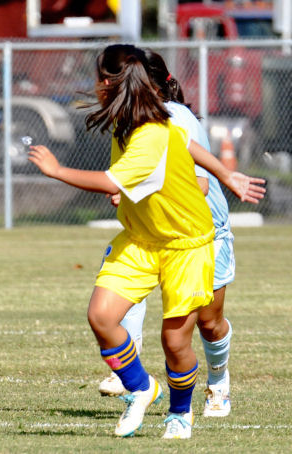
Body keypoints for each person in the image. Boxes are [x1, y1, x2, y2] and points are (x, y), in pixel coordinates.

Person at [27, 44, 264, 439]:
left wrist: (55, 170)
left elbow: (111, 179)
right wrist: (227, 174)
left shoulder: (150, 130)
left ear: (108, 82)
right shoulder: (135, 117)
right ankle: (142, 387)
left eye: (97, 77)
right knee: (102, 317)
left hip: (186, 244)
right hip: (141, 238)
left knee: (175, 340)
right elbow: (184, 144)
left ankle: (179, 412)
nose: (94, 85)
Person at [97, 50, 239, 425]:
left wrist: (228, 175)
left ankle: (218, 381)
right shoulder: (127, 119)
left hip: (200, 235)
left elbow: (200, 183)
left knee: (209, 323)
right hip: (154, 236)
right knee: (117, 302)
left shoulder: (175, 117)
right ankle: (132, 378)